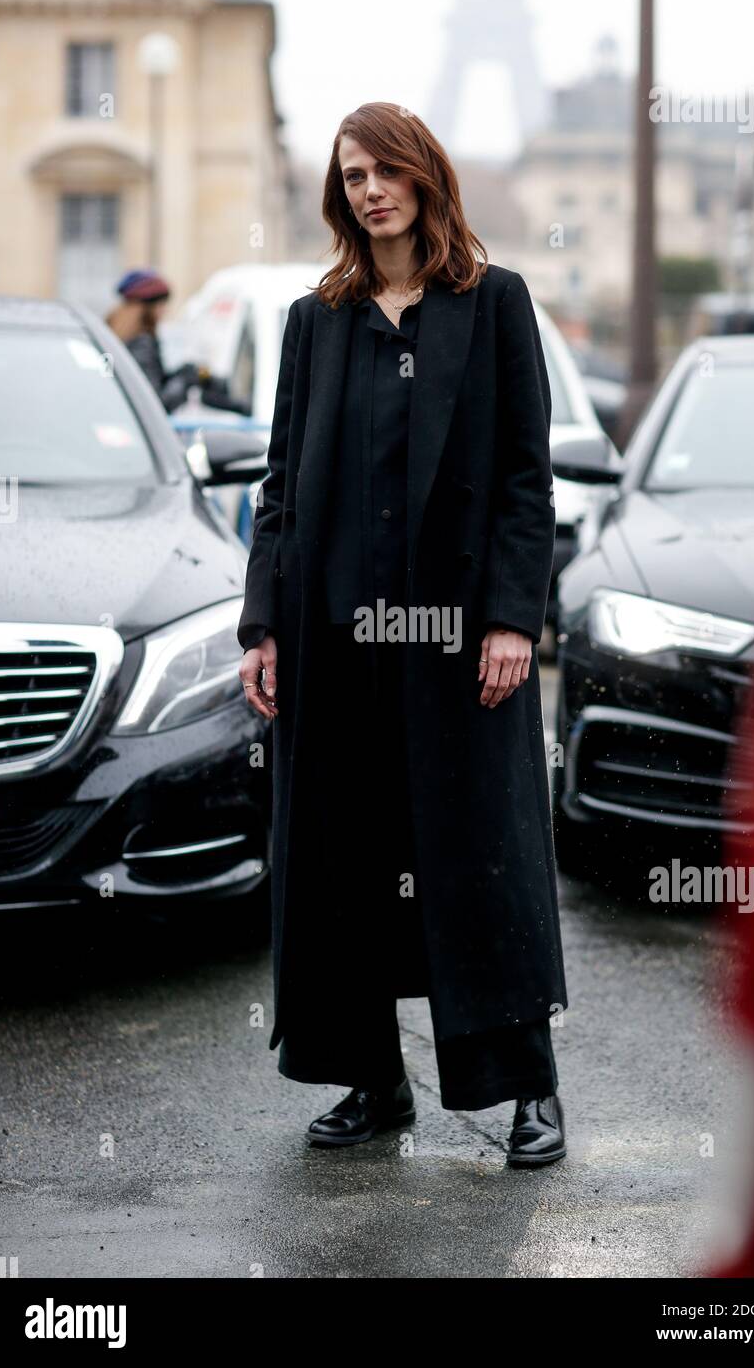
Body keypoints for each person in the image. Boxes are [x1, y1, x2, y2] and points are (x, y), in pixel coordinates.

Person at [237, 102, 568, 1167]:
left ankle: (525, 1089)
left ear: (423, 176)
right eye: (351, 174)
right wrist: (263, 624)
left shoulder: (492, 303)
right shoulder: (315, 319)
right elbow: (278, 487)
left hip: (458, 645)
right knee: (346, 865)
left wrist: (515, 616)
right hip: (334, 645)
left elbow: (525, 479)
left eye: (385, 169)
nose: (369, 188)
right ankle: (373, 1083)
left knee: (480, 861)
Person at [106, 269, 251, 415]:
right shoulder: (141, 344)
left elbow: (153, 382)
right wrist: (187, 380)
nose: (164, 311)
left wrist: (187, 372)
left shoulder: (121, 337)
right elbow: (156, 402)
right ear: (147, 309)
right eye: (162, 305)